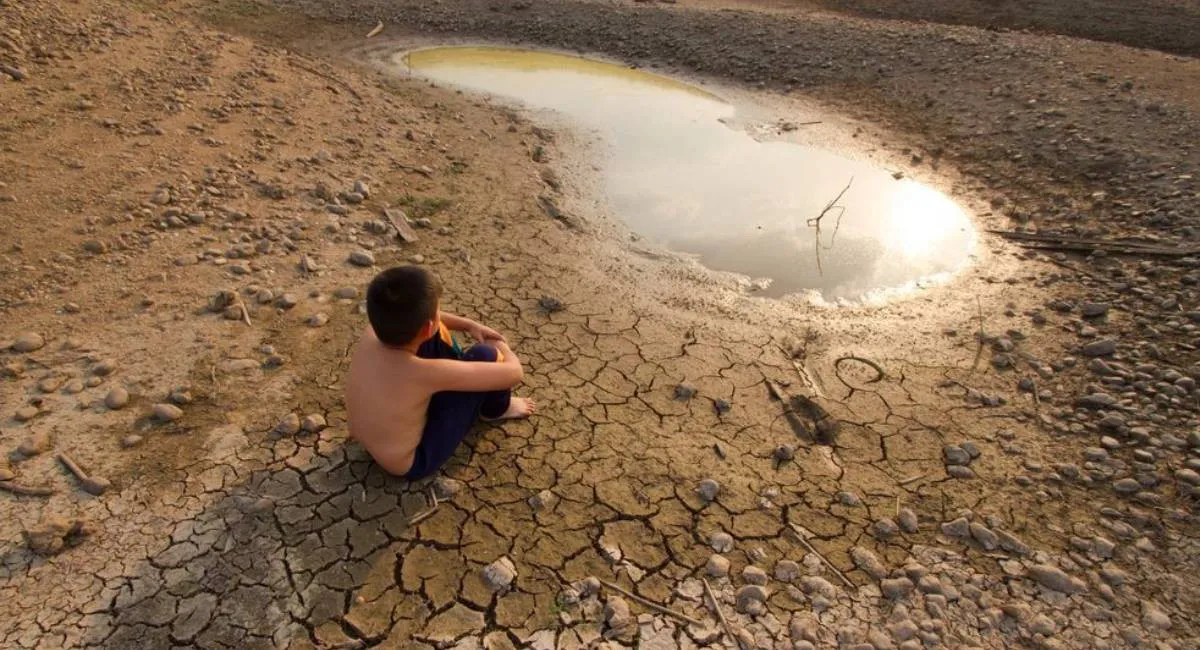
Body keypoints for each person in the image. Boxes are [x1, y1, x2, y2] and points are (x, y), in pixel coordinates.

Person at [346, 265, 535, 479]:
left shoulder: (373, 332)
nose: (440, 315)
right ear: (427, 326)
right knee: (486, 354)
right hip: (413, 461)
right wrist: (501, 346)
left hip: (369, 439)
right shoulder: (425, 373)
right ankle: (496, 409)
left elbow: (428, 321)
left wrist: (468, 325)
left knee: (431, 334)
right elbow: (514, 373)